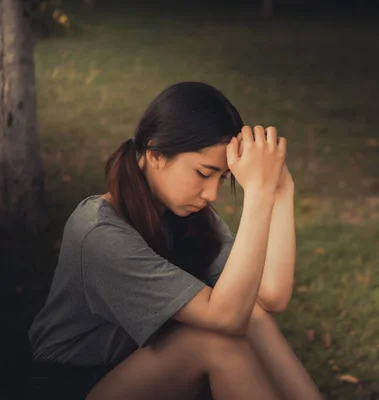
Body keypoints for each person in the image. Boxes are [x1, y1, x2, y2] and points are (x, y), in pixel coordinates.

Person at [26, 82, 322, 400]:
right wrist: (258, 194)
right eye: (203, 172)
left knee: (252, 315)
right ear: (155, 155)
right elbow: (227, 318)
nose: (211, 194)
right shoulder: (100, 233)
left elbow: (270, 297)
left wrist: (281, 189)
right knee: (212, 342)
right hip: (71, 385)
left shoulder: (186, 214)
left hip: (141, 367)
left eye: (221, 178)